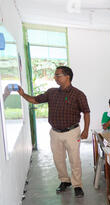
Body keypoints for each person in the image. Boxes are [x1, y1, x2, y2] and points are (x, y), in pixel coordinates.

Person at [17, 66, 90, 197]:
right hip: (55, 133)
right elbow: (35, 100)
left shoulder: (78, 94)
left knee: (75, 160)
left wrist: (85, 130)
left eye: (58, 75)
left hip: (72, 132)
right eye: (55, 75)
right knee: (58, 159)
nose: (55, 77)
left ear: (67, 76)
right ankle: (64, 181)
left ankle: (77, 185)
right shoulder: (51, 93)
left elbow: (86, 112)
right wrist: (23, 94)